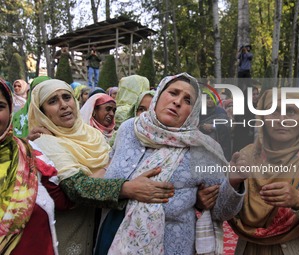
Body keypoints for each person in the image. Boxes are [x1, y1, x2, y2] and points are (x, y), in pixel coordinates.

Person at [97, 73, 245, 255]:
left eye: (188, 100)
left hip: (172, 246)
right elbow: (107, 173)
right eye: (173, 93)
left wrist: (234, 182)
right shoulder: (129, 129)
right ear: (158, 95)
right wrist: (127, 188)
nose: (177, 102)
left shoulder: (202, 149)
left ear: (194, 112)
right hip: (111, 237)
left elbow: (222, 211)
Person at [27, 79, 175, 255]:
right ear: (41, 112)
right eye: (52, 101)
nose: (63, 105)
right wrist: (126, 188)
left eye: (67, 97)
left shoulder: (93, 136)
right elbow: (76, 187)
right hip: (70, 235)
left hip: (101, 233)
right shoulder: (45, 142)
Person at [228, 89, 299, 254]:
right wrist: (232, 185)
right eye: (273, 111)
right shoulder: (245, 156)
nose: (282, 119)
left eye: (292, 111)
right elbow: (223, 211)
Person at [0, 78, 73, 255]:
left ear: (10, 110)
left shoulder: (29, 154)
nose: (63, 106)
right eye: (53, 100)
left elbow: (64, 201)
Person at [199, 93, 232, 161]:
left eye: (212, 99)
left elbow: (227, 125)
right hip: (202, 145)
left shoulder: (220, 112)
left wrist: (213, 126)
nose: (210, 100)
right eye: (208, 98)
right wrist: (202, 127)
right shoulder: (199, 112)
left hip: (218, 146)